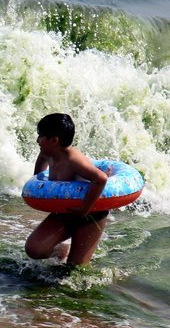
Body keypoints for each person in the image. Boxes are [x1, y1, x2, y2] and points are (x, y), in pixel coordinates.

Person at [24, 113, 108, 265]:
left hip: (90, 214)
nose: (37, 140)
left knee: (75, 269)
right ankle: (62, 250)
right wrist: (38, 183)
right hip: (66, 212)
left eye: (40, 136)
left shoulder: (73, 160)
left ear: (54, 140)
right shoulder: (48, 153)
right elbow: (42, 158)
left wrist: (84, 209)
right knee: (34, 249)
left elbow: (100, 178)